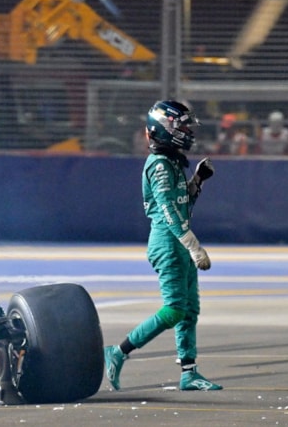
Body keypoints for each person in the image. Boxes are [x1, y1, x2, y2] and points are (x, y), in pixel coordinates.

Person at [104, 100, 222, 392]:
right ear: (165, 128)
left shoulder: (171, 162)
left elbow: (182, 204)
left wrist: (197, 181)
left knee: (189, 310)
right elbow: (169, 211)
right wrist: (194, 246)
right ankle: (118, 351)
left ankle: (189, 373)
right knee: (174, 310)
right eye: (182, 126)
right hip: (169, 243)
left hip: (177, 240)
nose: (188, 132)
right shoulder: (159, 164)